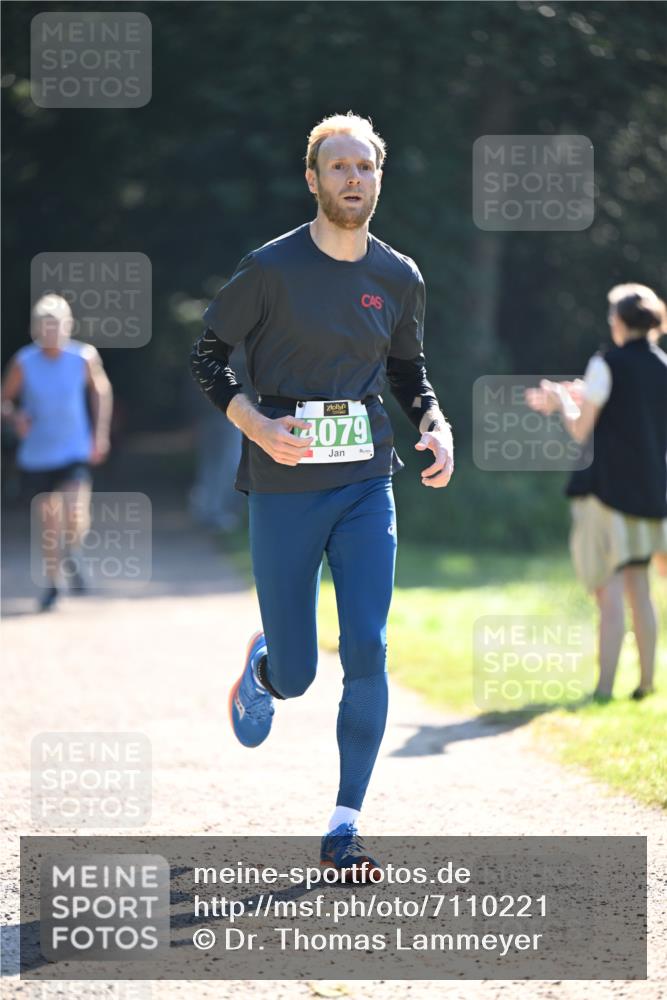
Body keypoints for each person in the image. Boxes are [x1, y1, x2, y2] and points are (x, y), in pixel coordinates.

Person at [191, 112, 453, 877]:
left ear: (379, 176)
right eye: (337, 167)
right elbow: (209, 358)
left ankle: (344, 829)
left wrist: (434, 427)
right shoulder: (269, 269)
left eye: (364, 167)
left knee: (368, 647)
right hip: (281, 487)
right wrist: (255, 424)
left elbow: (410, 375)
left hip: (366, 480)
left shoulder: (398, 275)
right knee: (303, 675)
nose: (352, 178)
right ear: (312, 179)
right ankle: (268, 668)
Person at [526, 283, 667, 701]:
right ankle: (645, 683)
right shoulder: (662, 366)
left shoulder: (606, 361)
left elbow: (580, 428)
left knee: (608, 591)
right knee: (640, 589)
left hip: (606, 493)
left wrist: (560, 401)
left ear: (621, 321)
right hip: (650, 494)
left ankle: (603, 689)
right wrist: (579, 393)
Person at [1, 294, 113, 611]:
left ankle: (73, 551)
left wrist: (99, 434)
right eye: (44, 327)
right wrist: (15, 416)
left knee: (74, 513)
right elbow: (4, 402)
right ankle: (53, 583)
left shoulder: (83, 357)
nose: (51, 333)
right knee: (50, 521)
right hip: (37, 453)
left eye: (57, 327)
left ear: (68, 326)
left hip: (74, 448)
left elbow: (101, 391)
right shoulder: (24, 362)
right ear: (35, 328)